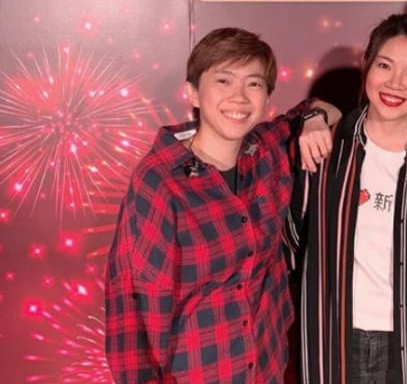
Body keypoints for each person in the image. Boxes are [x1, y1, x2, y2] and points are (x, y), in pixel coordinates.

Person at [104, 27, 339, 384]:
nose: (239, 97)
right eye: (223, 81)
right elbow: (133, 316)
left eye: (253, 84)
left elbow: (324, 108)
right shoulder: (161, 183)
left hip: (266, 369)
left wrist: (314, 119)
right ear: (193, 92)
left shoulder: (266, 150)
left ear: (267, 97)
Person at [284, 14, 407, 384]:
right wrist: (314, 114)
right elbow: (294, 239)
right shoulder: (326, 146)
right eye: (385, 66)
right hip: (333, 338)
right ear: (366, 66)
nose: (395, 84)